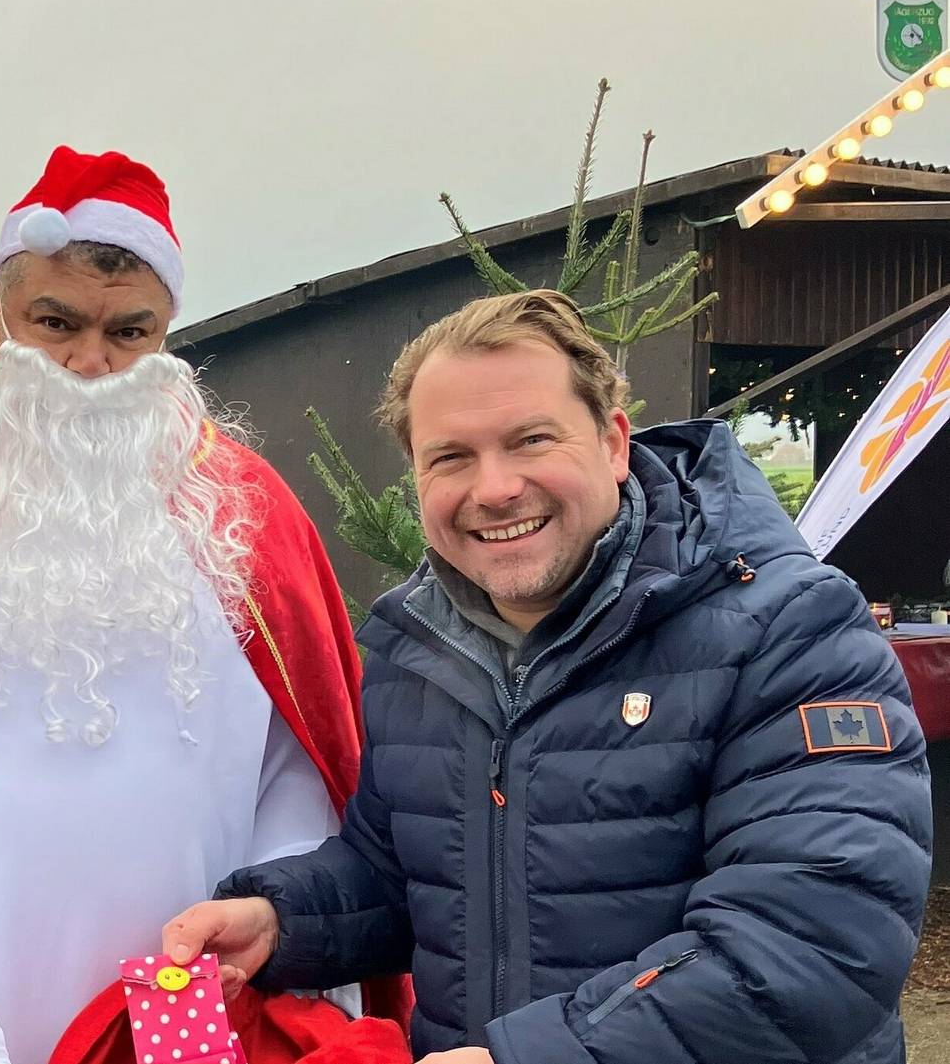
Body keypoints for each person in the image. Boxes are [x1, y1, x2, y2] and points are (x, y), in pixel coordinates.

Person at [0, 147, 407, 1064]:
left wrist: (263, 924)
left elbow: (302, 771)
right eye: (54, 322)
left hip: (183, 1014)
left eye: (129, 333)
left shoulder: (248, 511)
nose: (90, 363)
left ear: (167, 329)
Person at [164, 288, 933, 1063]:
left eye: (531, 439)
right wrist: (282, 919)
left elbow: (815, 942)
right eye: (451, 456)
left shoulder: (790, 628)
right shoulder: (411, 651)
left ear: (613, 442)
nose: (494, 488)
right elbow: (406, 874)